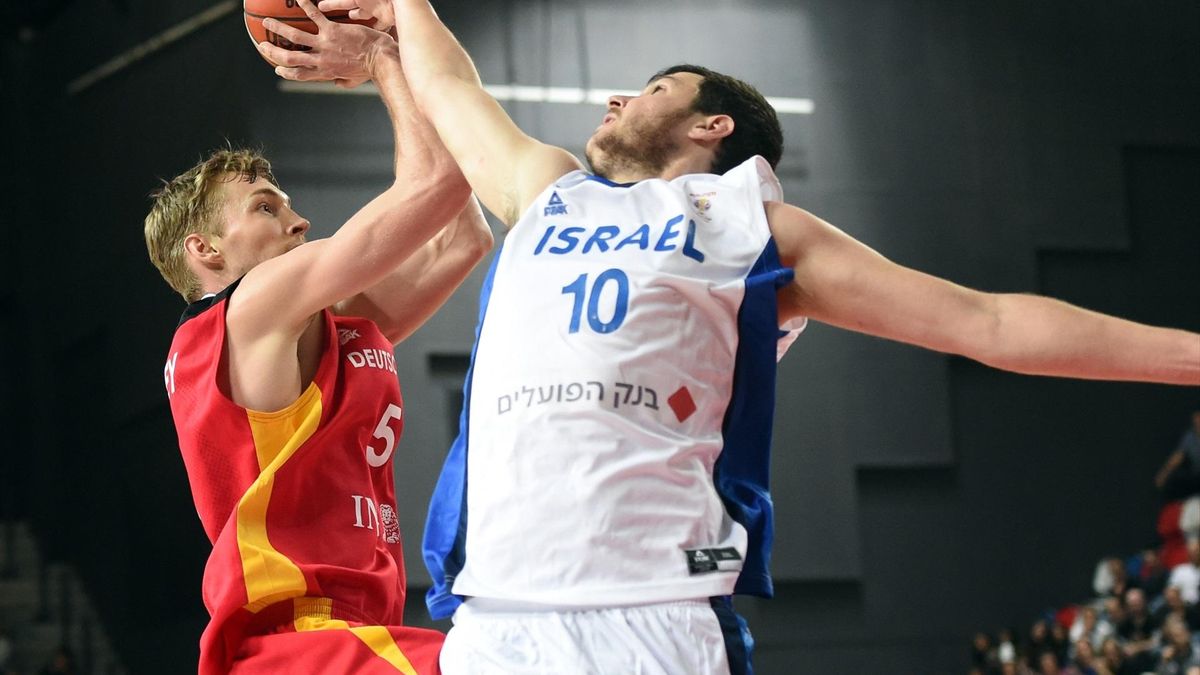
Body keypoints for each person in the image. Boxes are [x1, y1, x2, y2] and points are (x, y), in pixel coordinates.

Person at [262, 0, 1200, 672]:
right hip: (497, 618)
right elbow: (453, 87)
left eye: (651, 86)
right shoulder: (545, 191)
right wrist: (393, 15)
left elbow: (988, 322)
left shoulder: (751, 224)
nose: (616, 101)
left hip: (654, 620)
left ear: (714, 125)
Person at [147, 9, 492, 673]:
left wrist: (400, 55)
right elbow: (436, 186)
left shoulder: (316, 331)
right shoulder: (249, 309)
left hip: (354, 634)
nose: (299, 220)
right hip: (303, 639)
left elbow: (462, 234)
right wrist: (383, 63)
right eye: (266, 207)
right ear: (204, 249)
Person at [1158, 412, 1200, 501]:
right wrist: (1164, 474)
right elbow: (1178, 457)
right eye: (1196, 419)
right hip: (1196, 477)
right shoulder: (1190, 437)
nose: (1197, 422)